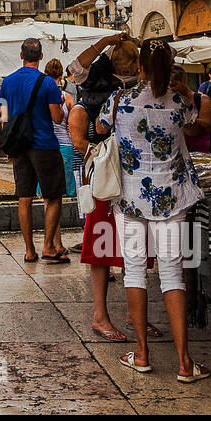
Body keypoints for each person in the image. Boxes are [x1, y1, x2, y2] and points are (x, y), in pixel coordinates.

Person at [100, 38, 211, 383]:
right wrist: (191, 94)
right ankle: (184, 362)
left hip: (130, 198)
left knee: (134, 272)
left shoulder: (120, 100)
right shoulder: (180, 100)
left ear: (139, 67)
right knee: (172, 273)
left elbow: (100, 128)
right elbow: (199, 126)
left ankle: (143, 354)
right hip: (172, 198)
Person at [72, 40, 140, 340]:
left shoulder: (139, 80)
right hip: (103, 173)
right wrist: (108, 41)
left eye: (133, 65)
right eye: (125, 65)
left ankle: (133, 313)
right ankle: (100, 316)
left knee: (134, 245)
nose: (130, 70)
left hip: (131, 173)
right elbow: (76, 66)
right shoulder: (93, 81)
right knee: (101, 242)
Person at [0, 39, 67, 264]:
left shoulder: (7, 82)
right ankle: (48, 246)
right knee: (53, 196)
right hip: (44, 144)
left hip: (19, 147)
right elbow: (57, 118)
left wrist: (9, 144)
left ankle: (29, 250)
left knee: (24, 197)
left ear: (21, 55)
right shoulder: (48, 83)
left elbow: (2, 118)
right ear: (41, 56)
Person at [44, 58, 77, 205]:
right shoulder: (68, 97)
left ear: (45, 74)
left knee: (46, 191)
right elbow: (74, 124)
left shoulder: (40, 96)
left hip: (45, 146)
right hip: (66, 146)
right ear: (61, 76)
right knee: (67, 190)